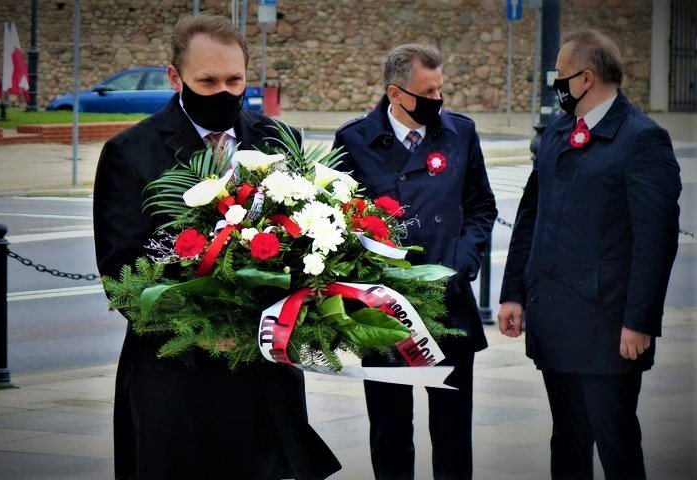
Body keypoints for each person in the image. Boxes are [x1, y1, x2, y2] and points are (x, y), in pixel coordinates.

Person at [94, 14, 340, 480]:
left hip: (265, 378)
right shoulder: (131, 152)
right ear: (175, 77)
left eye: (236, 79)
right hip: (177, 376)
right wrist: (206, 331)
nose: (224, 92)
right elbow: (122, 274)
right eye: (207, 81)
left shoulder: (276, 140)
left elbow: (310, 241)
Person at [498, 29, 681, 480]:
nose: (554, 84)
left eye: (559, 75)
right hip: (555, 317)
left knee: (615, 439)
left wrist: (640, 321)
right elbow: (529, 218)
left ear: (585, 78)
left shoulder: (642, 139)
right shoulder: (558, 132)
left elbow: (656, 240)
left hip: (607, 323)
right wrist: (513, 293)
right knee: (568, 438)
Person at [333, 43, 497, 479]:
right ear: (396, 93)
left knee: (452, 433)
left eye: (441, 89)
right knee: (389, 433)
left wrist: (461, 263)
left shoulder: (461, 133)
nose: (438, 100)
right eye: (428, 91)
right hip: (385, 311)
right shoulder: (353, 140)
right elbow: (338, 222)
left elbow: (481, 205)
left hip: (450, 302)